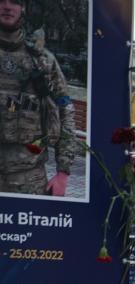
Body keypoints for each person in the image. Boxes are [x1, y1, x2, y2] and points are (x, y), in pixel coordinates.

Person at [0, 0, 77, 196]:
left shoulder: (43, 61)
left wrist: (63, 172)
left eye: (15, 1)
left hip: (28, 181)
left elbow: (65, 112)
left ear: (23, 7)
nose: (7, 6)